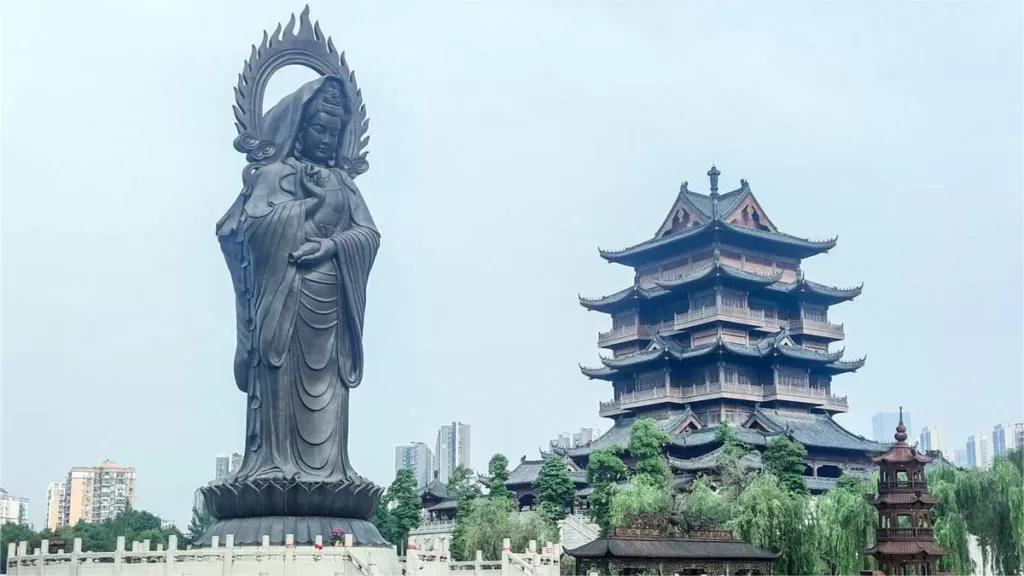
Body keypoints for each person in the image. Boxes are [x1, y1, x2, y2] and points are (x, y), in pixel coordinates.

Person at [216, 76, 380, 483]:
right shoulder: (273, 173)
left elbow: (369, 234)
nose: (326, 139)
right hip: (283, 296)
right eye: (318, 129)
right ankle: (273, 463)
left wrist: (331, 246)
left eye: (334, 132)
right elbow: (248, 227)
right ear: (297, 126)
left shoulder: (344, 182)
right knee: (278, 374)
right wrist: (313, 205)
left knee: (330, 385)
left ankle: (332, 470)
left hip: (332, 299)